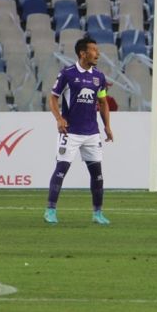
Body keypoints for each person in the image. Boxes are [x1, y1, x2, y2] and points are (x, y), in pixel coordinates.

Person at [43, 37, 114, 225]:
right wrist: (59, 119)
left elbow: (103, 102)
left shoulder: (99, 77)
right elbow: (52, 98)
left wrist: (107, 126)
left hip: (92, 132)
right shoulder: (67, 74)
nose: (97, 54)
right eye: (94, 50)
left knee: (97, 175)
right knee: (61, 170)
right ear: (83, 53)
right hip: (71, 132)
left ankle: (97, 213)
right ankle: (50, 210)